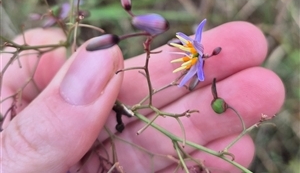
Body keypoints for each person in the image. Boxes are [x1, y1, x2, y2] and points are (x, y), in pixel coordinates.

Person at [1, 22, 285, 173]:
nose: (194, 57)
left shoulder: (197, 67)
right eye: (194, 53)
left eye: (196, 55)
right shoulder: (193, 66)